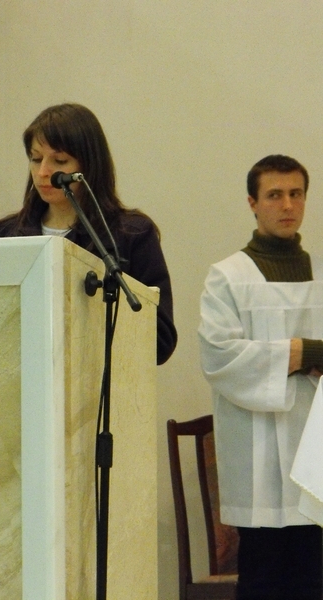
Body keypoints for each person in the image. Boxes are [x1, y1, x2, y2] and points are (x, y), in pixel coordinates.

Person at [198, 155, 323, 600]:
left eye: (296, 194)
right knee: (263, 581)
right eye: (274, 195)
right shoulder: (228, 277)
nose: (287, 205)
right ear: (253, 202)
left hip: (315, 452)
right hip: (257, 451)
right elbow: (219, 355)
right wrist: (303, 353)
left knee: (313, 580)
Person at [0, 103, 177, 364]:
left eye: (59, 161)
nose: (43, 172)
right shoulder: (5, 235)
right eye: (36, 158)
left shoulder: (130, 234)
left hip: (100, 381)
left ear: (88, 166)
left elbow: (160, 341)